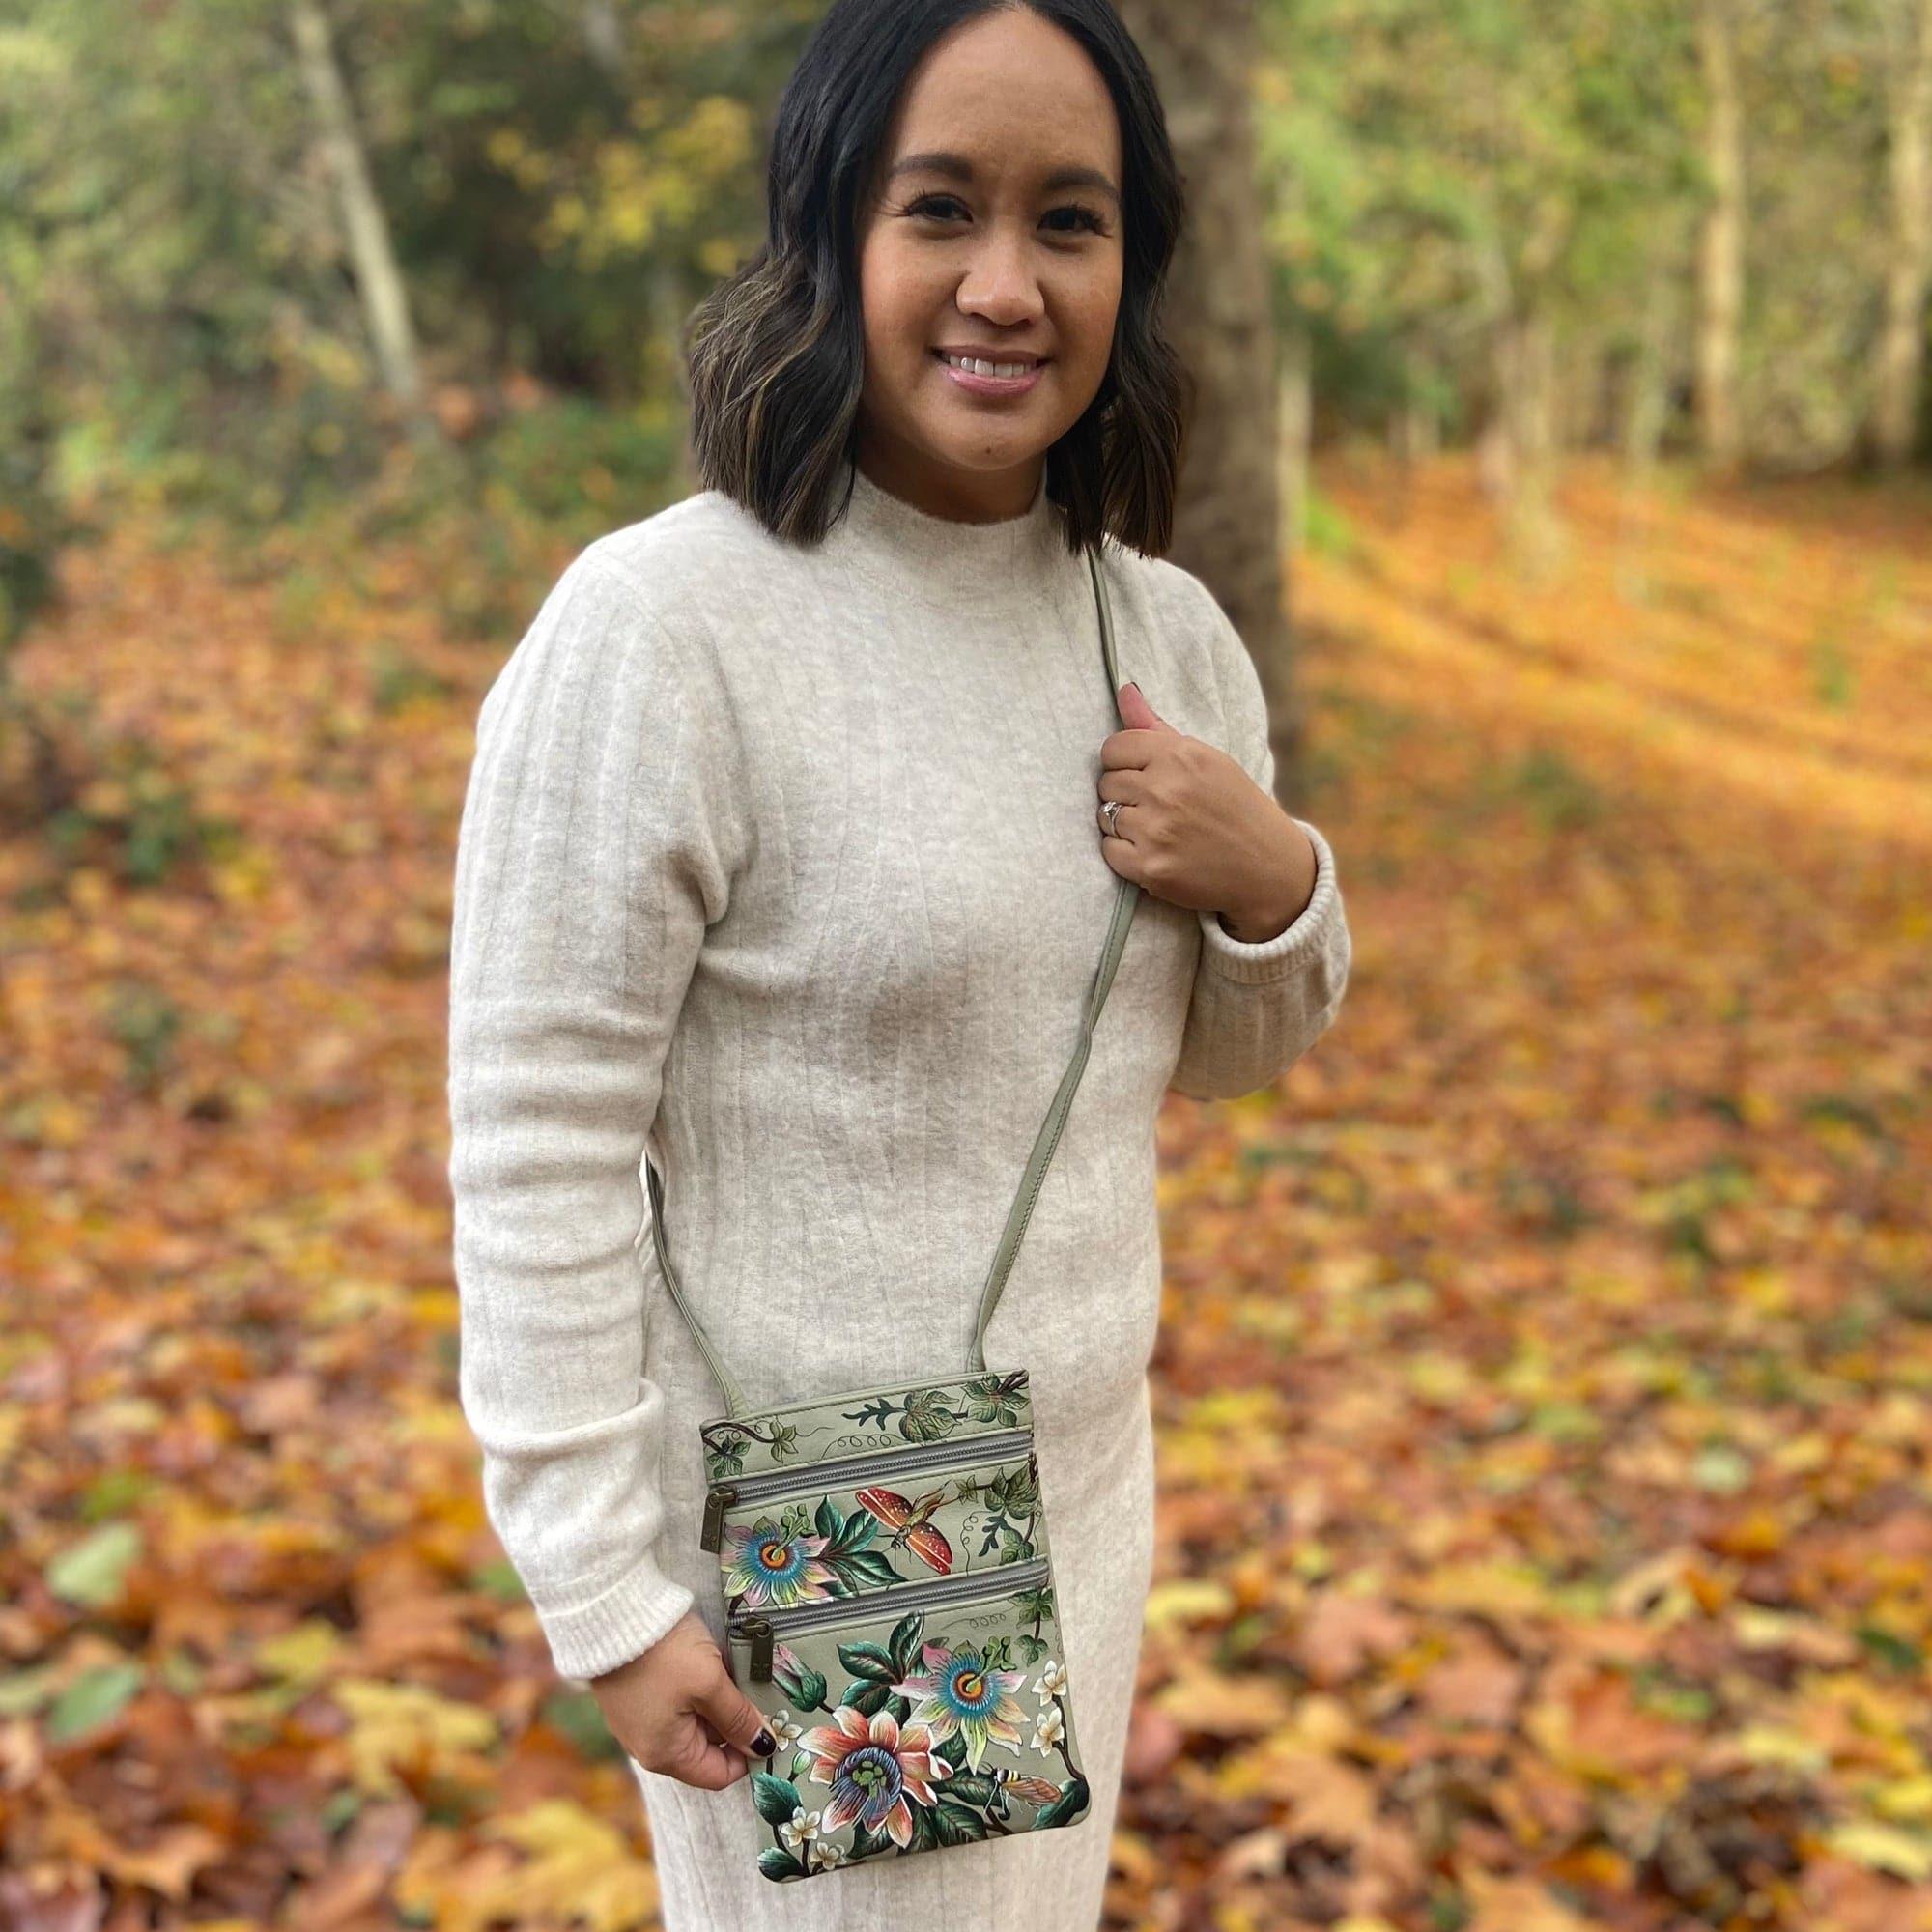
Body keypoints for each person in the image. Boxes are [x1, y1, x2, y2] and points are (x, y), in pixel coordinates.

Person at [445, 0, 1352, 1924]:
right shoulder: (662, 631)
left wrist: (1273, 880)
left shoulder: (1164, 636)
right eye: (940, 208)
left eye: (1069, 220)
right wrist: (601, 1586)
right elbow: (534, 1145)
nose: (1005, 286)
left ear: (1132, 264)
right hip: (796, 1542)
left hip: (1075, 1501)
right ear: (830, 232)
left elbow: (1221, 1055)